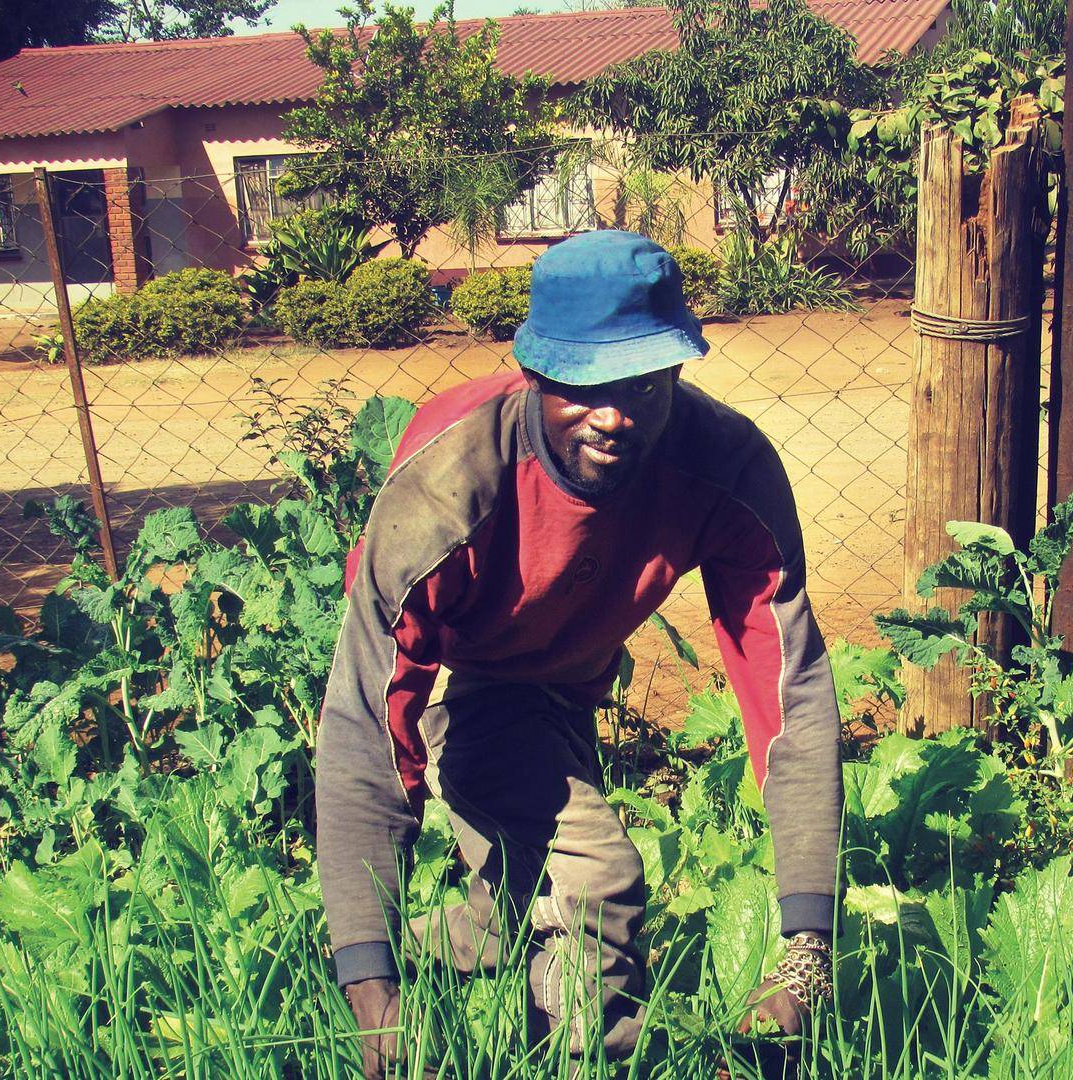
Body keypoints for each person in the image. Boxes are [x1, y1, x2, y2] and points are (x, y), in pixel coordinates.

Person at [315, 230, 843, 1073]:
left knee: (525, 898)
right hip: (470, 683)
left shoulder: (726, 468)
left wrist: (807, 951)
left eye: (641, 383)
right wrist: (372, 1003)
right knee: (595, 880)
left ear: (677, 371)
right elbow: (365, 730)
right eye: (582, 384)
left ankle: (392, 953)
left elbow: (792, 697)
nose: (613, 414)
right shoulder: (447, 490)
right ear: (534, 371)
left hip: (568, 685)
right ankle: (595, 1055)